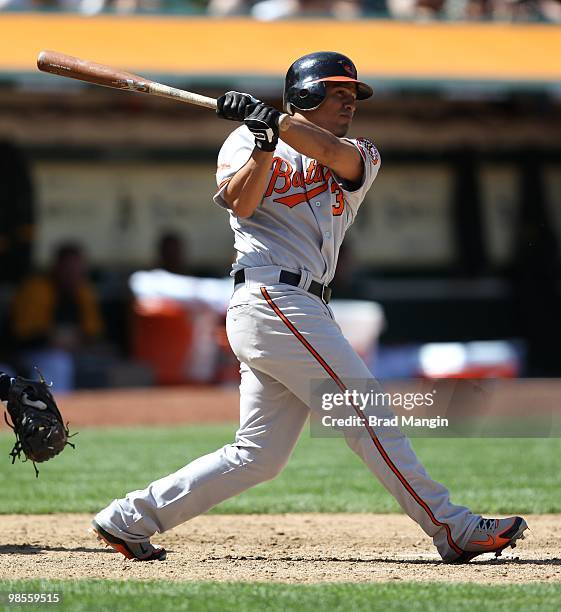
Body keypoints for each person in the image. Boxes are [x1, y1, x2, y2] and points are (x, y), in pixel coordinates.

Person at [91, 51, 527, 563]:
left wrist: (274, 122)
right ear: (304, 94)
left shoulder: (361, 152)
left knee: (258, 456)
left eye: (352, 96)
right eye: (337, 93)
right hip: (270, 298)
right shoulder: (243, 141)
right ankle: (451, 527)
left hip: (302, 305)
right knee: (365, 410)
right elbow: (242, 203)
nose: (349, 105)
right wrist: (260, 143)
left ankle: (128, 518)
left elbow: (330, 154)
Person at [9, 242, 104, 392]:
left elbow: (94, 333)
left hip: (73, 353)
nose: (73, 273)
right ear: (58, 267)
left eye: (77, 269)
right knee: (58, 362)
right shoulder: (37, 289)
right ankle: (48, 411)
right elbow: (23, 336)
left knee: (96, 363)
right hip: (31, 353)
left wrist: (76, 339)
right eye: (68, 268)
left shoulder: (83, 291)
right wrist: (53, 338)